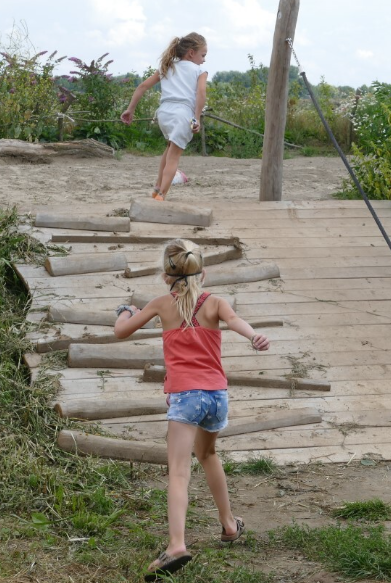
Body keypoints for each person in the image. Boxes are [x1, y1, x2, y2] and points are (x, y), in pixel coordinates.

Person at [114, 239, 271, 580]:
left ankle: (176, 546)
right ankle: (229, 524)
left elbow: (121, 331)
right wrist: (254, 336)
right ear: (204, 272)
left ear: (165, 276)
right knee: (209, 454)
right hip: (216, 395)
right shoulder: (214, 302)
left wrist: (125, 311)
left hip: (186, 397)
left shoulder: (160, 304)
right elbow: (235, 321)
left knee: (179, 472)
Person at [121, 33, 209, 201]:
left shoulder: (167, 66)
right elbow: (201, 93)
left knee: (169, 149)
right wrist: (196, 117)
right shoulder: (199, 70)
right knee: (174, 157)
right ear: (191, 53)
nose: (204, 60)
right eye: (202, 55)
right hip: (182, 114)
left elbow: (143, 86)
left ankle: (156, 188)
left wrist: (130, 109)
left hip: (164, 113)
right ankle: (162, 195)